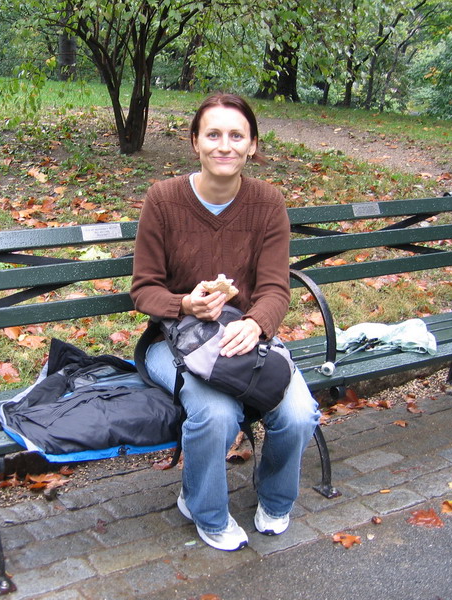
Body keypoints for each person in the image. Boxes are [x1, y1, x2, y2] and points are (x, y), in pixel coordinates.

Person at [130, 92, 320, 551]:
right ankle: (206, 510)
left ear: (252, 145)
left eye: (237, 136)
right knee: (216, 413)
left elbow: (276, 288)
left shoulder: (267, 203)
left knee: (297, 414)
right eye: (213, 134)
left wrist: (256, 323)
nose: (225, 145)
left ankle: (275, 500)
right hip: (172, 341)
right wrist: (185, 304)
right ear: (195, 141)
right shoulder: (164, 199)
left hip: (244, 338)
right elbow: (143, 289)